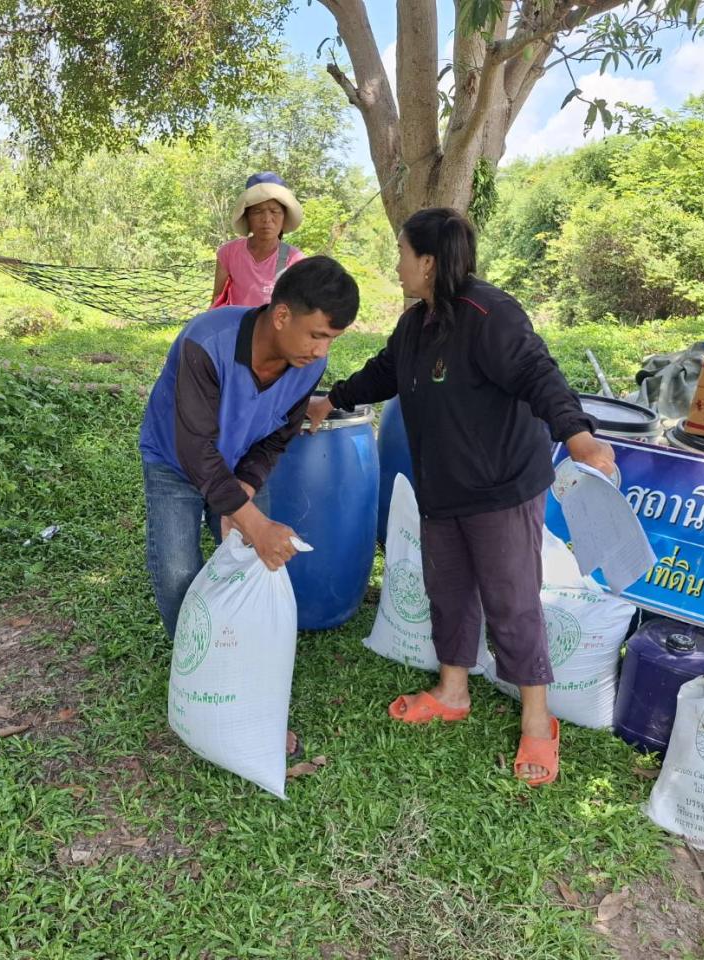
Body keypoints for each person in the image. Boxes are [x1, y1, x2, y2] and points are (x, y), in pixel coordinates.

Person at [307, 208, 615, 788]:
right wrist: (335, 398)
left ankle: (538, 719)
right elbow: (385, 373)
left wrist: (577, 435)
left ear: (427, 260)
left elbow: (539, 374)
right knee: (446, 587)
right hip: (443, 485)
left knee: (510, 600)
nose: (396, 264)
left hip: (500, 486)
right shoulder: (418, 322)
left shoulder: (490, 313)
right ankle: (453, 690)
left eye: (402, 253)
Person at [141, 255, 360, 756]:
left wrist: (245, 490)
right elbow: (194, 449)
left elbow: (278, 436)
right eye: (317, 334)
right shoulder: (206, 342)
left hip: (238, 464)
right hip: (173, 462)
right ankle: (198, 680)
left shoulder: (310, 366)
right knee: (178, 572)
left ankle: (245, 691)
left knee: (250, 571)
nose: (322, 351)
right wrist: (253, 520)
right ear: (282, 315)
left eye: (332, 340)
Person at [211, 172, 306, 308]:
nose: (266, 219)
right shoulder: (229, 253)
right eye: (257, 211)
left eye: (274, 211)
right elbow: (216, 300)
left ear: (284, 217)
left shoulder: (295, 260)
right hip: (237, 326)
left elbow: (299, 308)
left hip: (275, 328)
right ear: (247, 217)